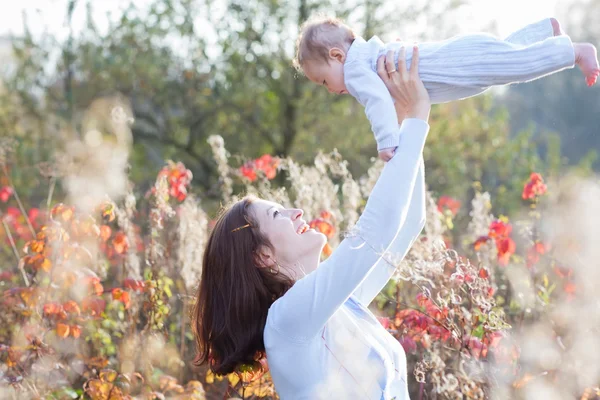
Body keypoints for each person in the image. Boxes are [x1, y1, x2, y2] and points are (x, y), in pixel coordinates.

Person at [192, 46, 430, 399]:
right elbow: (376, 233)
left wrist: (404, 120)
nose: (297, 213)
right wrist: (416, 117)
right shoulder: (287, 321)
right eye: (277, 215)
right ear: (262, 256)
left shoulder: (339, 304)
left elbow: (408, 223)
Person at [294, 16, 600, 161]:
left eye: (323, 81)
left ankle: (574, 52)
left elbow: (378, 103)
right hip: (460, 61)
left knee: (515, 67)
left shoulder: (357, 70)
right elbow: (392, 101)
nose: (330, 89)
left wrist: (387, 141)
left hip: (458, 64)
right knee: (508, 61)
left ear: (337, 56)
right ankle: (545, 31)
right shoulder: (369, 59)